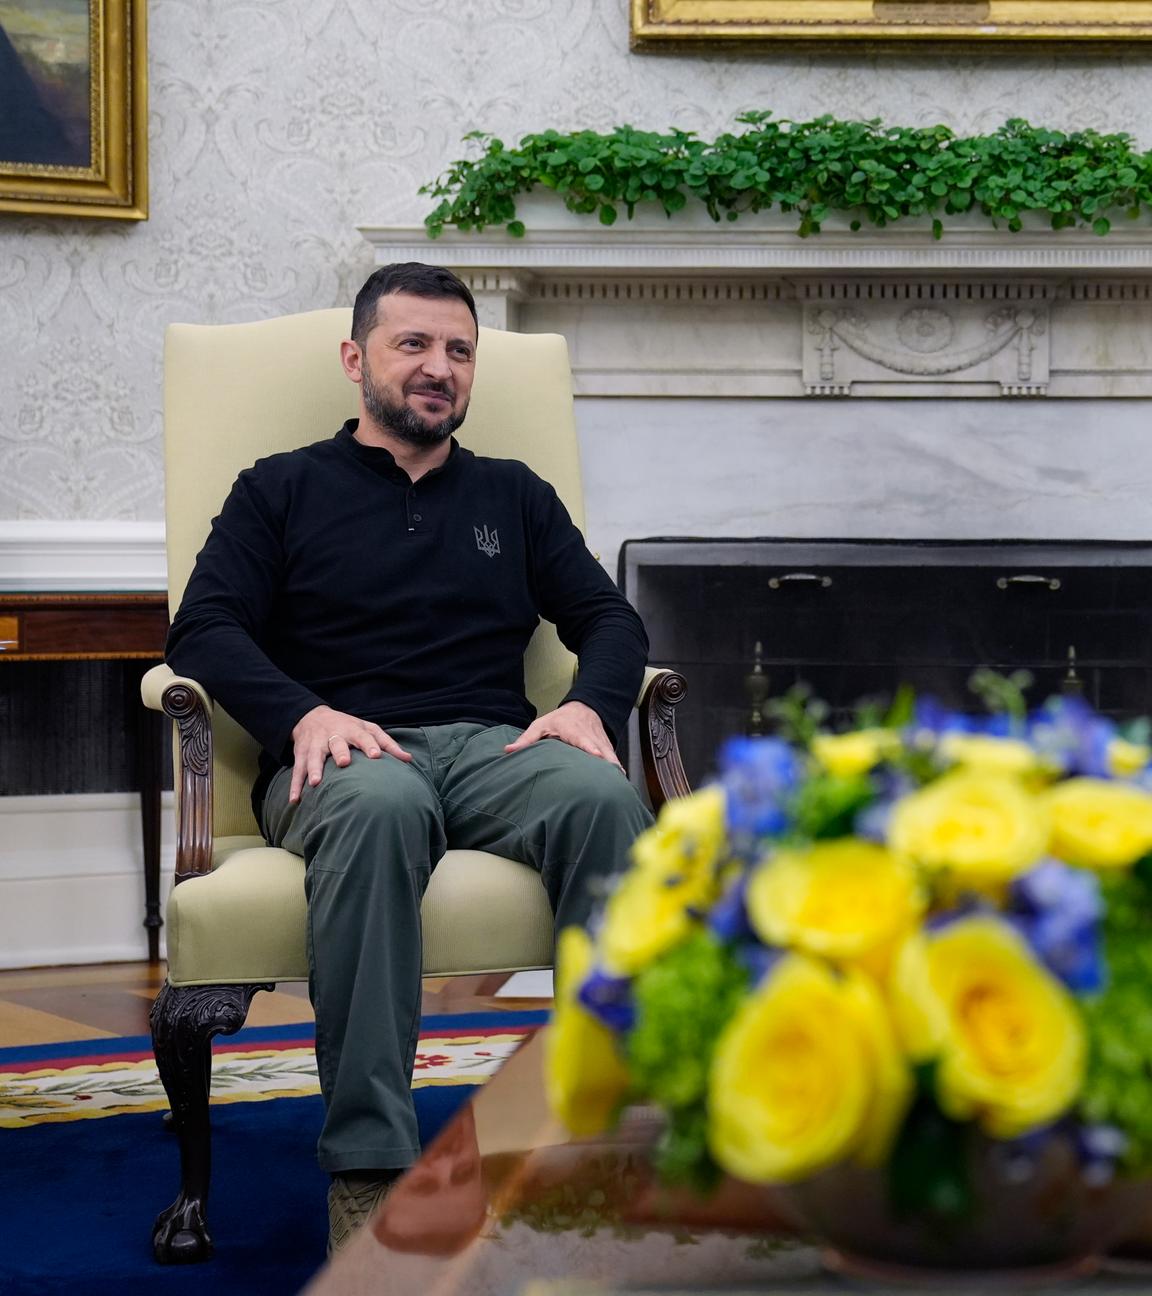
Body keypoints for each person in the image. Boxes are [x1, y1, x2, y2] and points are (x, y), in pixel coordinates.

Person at [165, 262, 653, 1254]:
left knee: (601, 797)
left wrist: (590, 709)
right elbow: (204, 626)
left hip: (492, 746)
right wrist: (300, 715)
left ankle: (606, 1134)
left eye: (459, 351)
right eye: (413, 345)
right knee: (383, 804)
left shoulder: (513, 496)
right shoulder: (281, 489)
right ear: (357, 360)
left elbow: (607, 616)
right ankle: (373, 1166)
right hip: (340, 753)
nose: (439, 368)